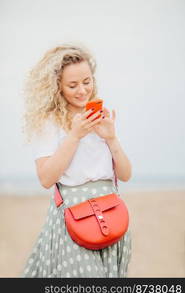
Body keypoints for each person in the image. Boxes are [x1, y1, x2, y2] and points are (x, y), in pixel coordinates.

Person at [21, 43, 132, 278]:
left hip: (111, 214)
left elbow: (125, 174)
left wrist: (111, 138)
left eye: (87, 81)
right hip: (74, 219)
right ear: (57, 87)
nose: (82, 90)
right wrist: (75, 135)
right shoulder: (49, 122)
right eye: (72, 85)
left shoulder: (100, 118)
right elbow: (46, 178)